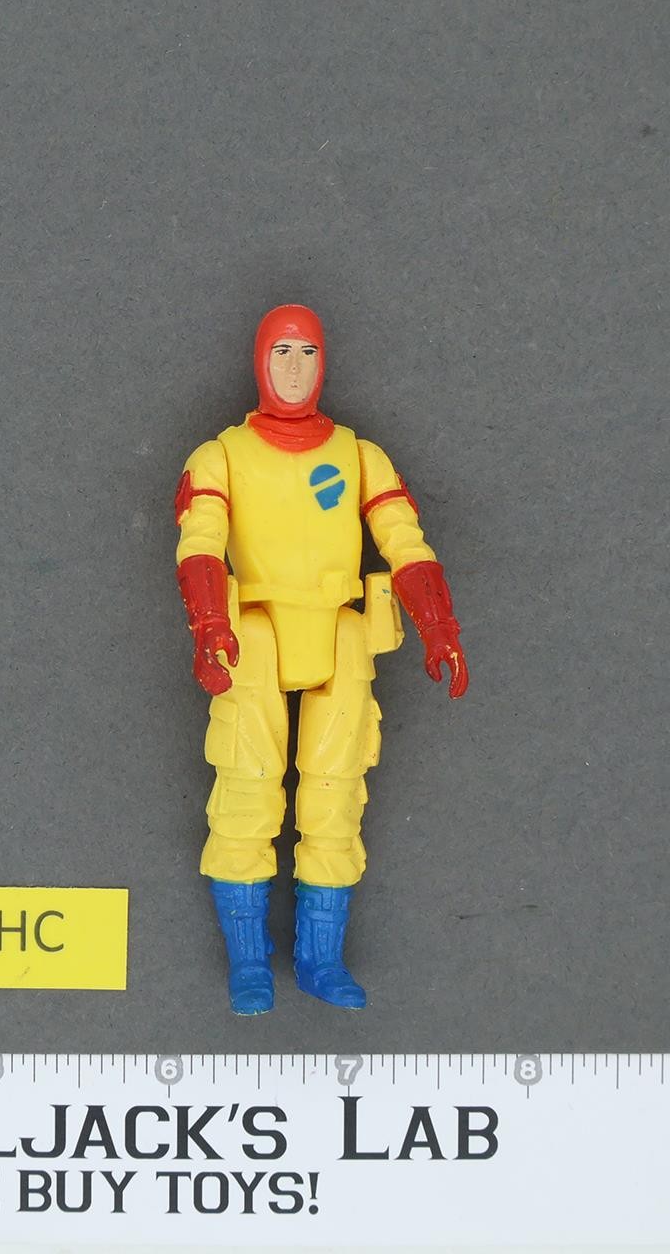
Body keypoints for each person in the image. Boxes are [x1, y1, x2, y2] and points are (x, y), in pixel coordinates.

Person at [173, 303, 468, 1014]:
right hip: (254, 633)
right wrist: (209, 625)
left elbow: (404, 539)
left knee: (335, 798)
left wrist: (438, 625)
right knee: (246, 789)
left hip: (339, 631)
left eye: (307, 351)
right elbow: (200, 541)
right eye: (282, 351)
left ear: (323, 362)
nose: (295, 366)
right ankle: (249, 961)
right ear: (260, 360)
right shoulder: (221, 456)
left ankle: (321, 959)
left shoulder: (360, 456)